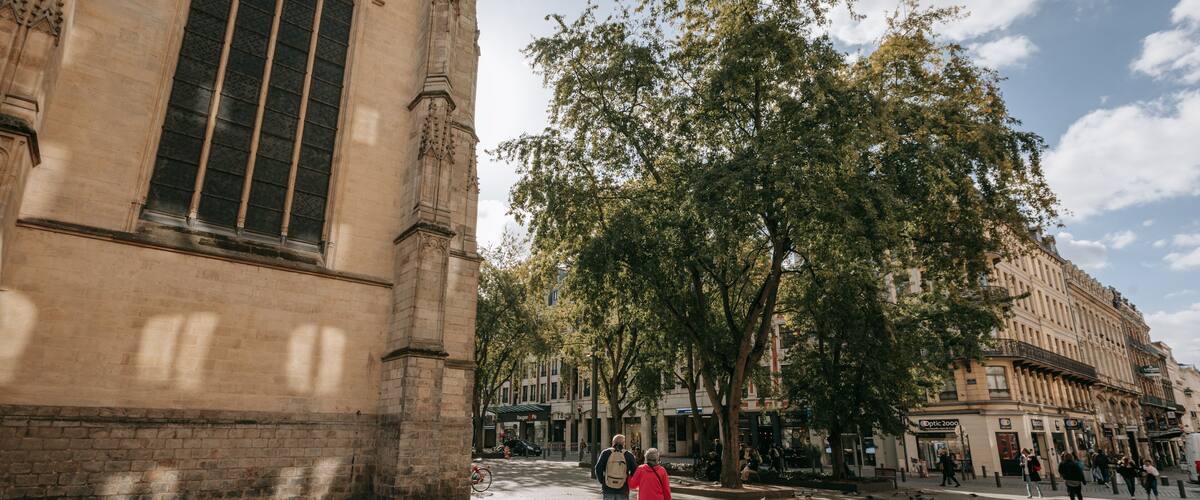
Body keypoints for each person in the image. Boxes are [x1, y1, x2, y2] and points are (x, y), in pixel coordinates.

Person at [595, 434, 638, 500]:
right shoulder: (628, 455)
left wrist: (603, 481)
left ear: (613, 443)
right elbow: (635, 471)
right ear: (623, 444)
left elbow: (598, 468)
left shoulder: (606, 453)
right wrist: (627, 480)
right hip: (623, 489)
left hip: (608, 489)